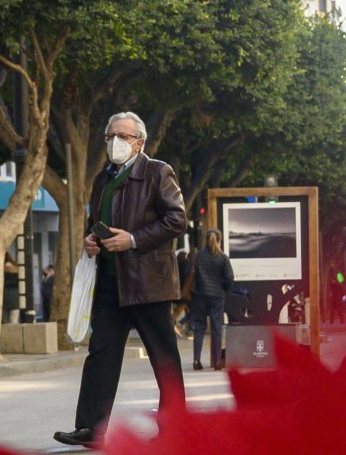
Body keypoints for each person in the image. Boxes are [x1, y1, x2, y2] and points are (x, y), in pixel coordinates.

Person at [54, 111, 187, 448]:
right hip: (111, 284)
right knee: (100, 355)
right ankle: (89, 429)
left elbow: (177, 219)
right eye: (111, 135)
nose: (116, 141)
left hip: (148, 283)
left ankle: (175, 428)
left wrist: (134, 239)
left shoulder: (158, 172)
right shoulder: (102, 179)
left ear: (140, 142)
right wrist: (89, 238)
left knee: (164, 359)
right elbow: (97, 220)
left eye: (124, 136)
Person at [189, 229, 234, 371]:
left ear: (205, 240)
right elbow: (230, 278)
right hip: (217, 297)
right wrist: (223, 289)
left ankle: (196, 361)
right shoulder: (223, 258)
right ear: (219, 240)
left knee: (199, 328)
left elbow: (191, 274)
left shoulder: (197, 256)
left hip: (199, 296)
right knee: (216, 328)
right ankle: (217, 362)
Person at [2, 251, 19, 324]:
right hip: (15, 297)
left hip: (4, 297)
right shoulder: (16, 267)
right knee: (14, 320)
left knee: (5, 321)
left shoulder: (2, 269)